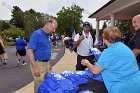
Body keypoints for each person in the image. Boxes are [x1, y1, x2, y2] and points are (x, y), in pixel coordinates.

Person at [81, 26, 140, 93]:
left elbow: (95, 70)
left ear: (104, 38)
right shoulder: (124, 47)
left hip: (123, 88)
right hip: (136, 83)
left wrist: (86, 63)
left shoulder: (109, 51)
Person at [28, 18, 58, 93]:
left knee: (47, 83)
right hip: (38, 64)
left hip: (46, 63)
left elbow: (46, 50)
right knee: (39, 86)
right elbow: (30, 51)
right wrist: (35, 67)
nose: (54, 31)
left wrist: (49, 62)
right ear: (47, 25)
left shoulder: (47, 35)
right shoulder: (37, 34)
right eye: (53, 28)